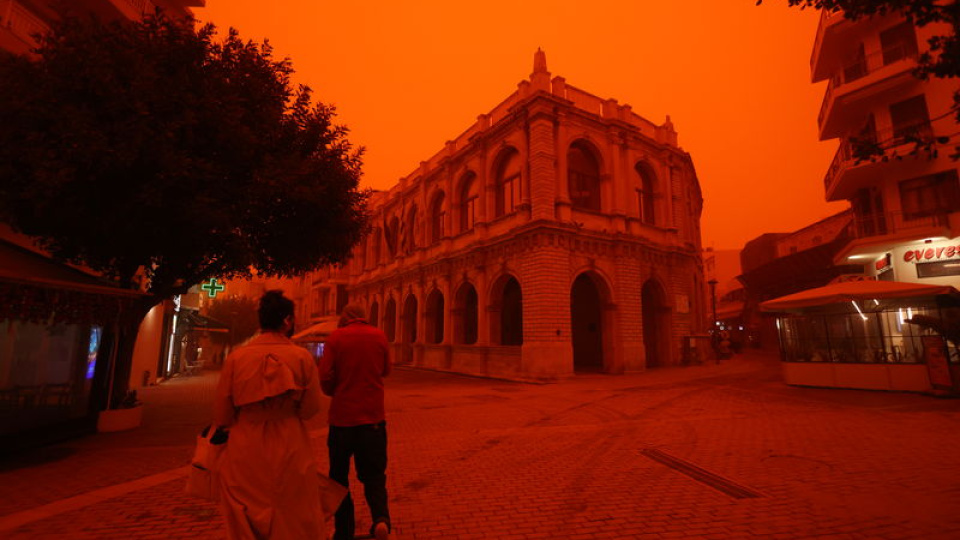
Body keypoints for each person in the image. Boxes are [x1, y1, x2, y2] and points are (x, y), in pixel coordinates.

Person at [213, 290, 327, 539]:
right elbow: (311, 409)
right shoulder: (301, 357)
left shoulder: (236, 358)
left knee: (246, 512)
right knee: (293, 510)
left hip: (246, 443)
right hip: (290, 442)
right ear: (287, 320)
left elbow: (223, 414)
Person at [321, 303, 392, 540]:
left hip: (342, 419)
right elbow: (386, 370)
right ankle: (380, 520)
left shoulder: (336, 338)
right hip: (373, 418)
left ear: (345, 317)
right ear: (364, 317)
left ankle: (344, 529)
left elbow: (325, 376)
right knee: (375, 475)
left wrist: (335, 390)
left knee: (338, 478)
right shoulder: (379, 335)